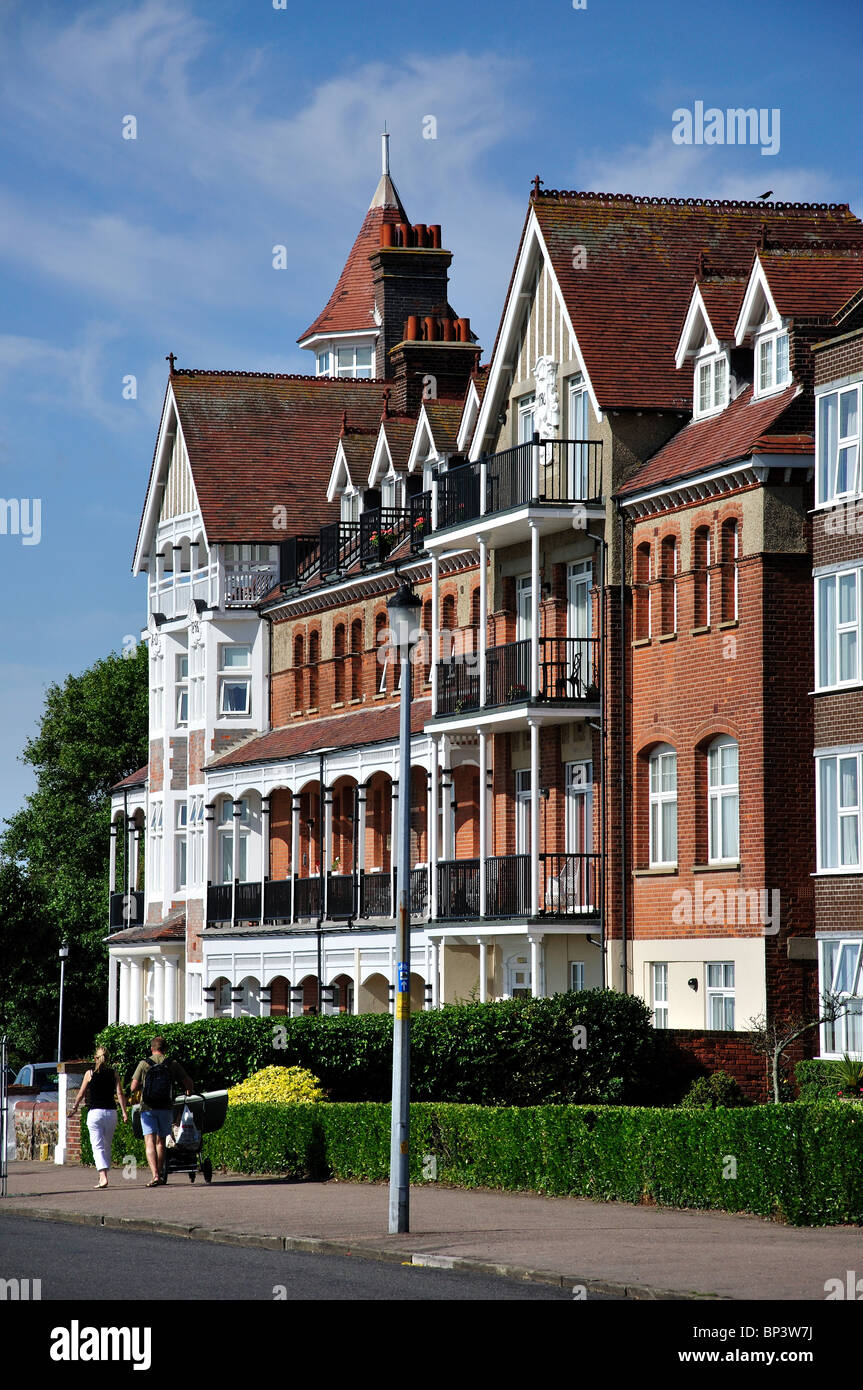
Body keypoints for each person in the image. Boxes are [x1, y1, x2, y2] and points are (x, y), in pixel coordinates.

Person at [130, 1037, 194, 1187]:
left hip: (147, 1107)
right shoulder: (172, 1063)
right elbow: (188, 1082)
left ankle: (155, 1175)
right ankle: (160, 1173)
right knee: (160, 1142)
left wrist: (141, 1088)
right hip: (166, 1107)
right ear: (165, 1049)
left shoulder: (144, 1063)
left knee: (149, 1142)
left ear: (152, 1049)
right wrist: (189, 1090)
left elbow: (133, 1087)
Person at [70, 1046, 129, 1189]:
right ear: (107, 1059)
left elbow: (81, 1094)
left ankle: (103, 1176)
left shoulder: (89, 1074)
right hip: (111, 1113)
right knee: (106, 1145)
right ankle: (104, 1175)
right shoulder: (113, 1073)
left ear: (95, 1058)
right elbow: (120, 1094)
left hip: (95, 1113)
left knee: (97, 1146)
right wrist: (124, 1112)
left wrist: (74, 1107)